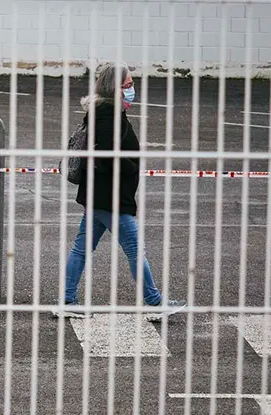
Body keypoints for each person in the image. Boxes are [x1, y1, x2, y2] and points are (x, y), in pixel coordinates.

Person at [59, 62, 186, 319]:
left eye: (131, 84)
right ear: (113, 87)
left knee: (81, 249)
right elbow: (107, 156)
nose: (132, 89)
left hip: (100, 194)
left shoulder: (106, 110)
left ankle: (66, 301)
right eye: (127, 85)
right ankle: (155, 302)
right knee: (134, 250)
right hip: (111, 197)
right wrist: (131, 167)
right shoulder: (108, 114)